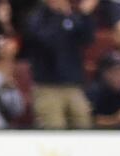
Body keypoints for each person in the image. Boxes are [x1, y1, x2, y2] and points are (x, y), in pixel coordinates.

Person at [25, 0, 97, 129]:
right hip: (48, 86)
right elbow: (47, 42)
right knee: (54, 128)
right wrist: (59, 16)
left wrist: (85, 15)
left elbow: (87, 38)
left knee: (84, 124)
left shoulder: (71, 16)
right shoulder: (37, 17)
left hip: (73, 85)